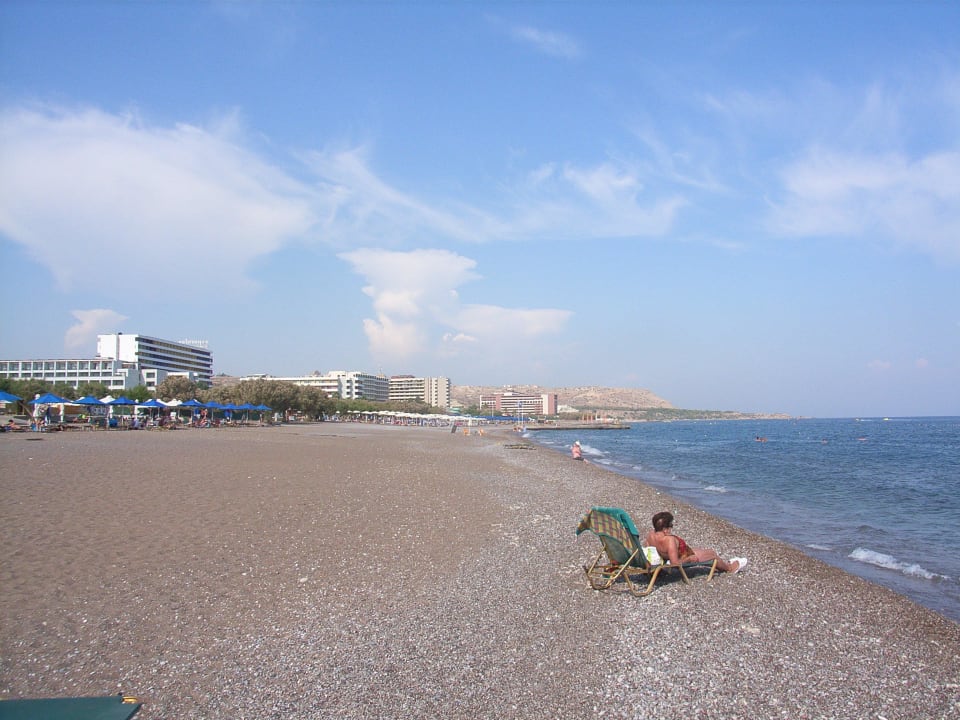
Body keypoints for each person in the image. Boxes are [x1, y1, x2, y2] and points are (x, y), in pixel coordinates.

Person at [644, 511, 746, 573]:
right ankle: (729, 568)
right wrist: (689, 559)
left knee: (703, 551)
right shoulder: (668, 540)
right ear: (665, 529)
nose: (671, 528)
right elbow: (674, 564)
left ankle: (724, 564)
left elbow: (648, 552)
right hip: (684, 557)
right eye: (671, 525)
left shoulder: (651, 535)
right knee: (712, 555)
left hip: (679, 553)